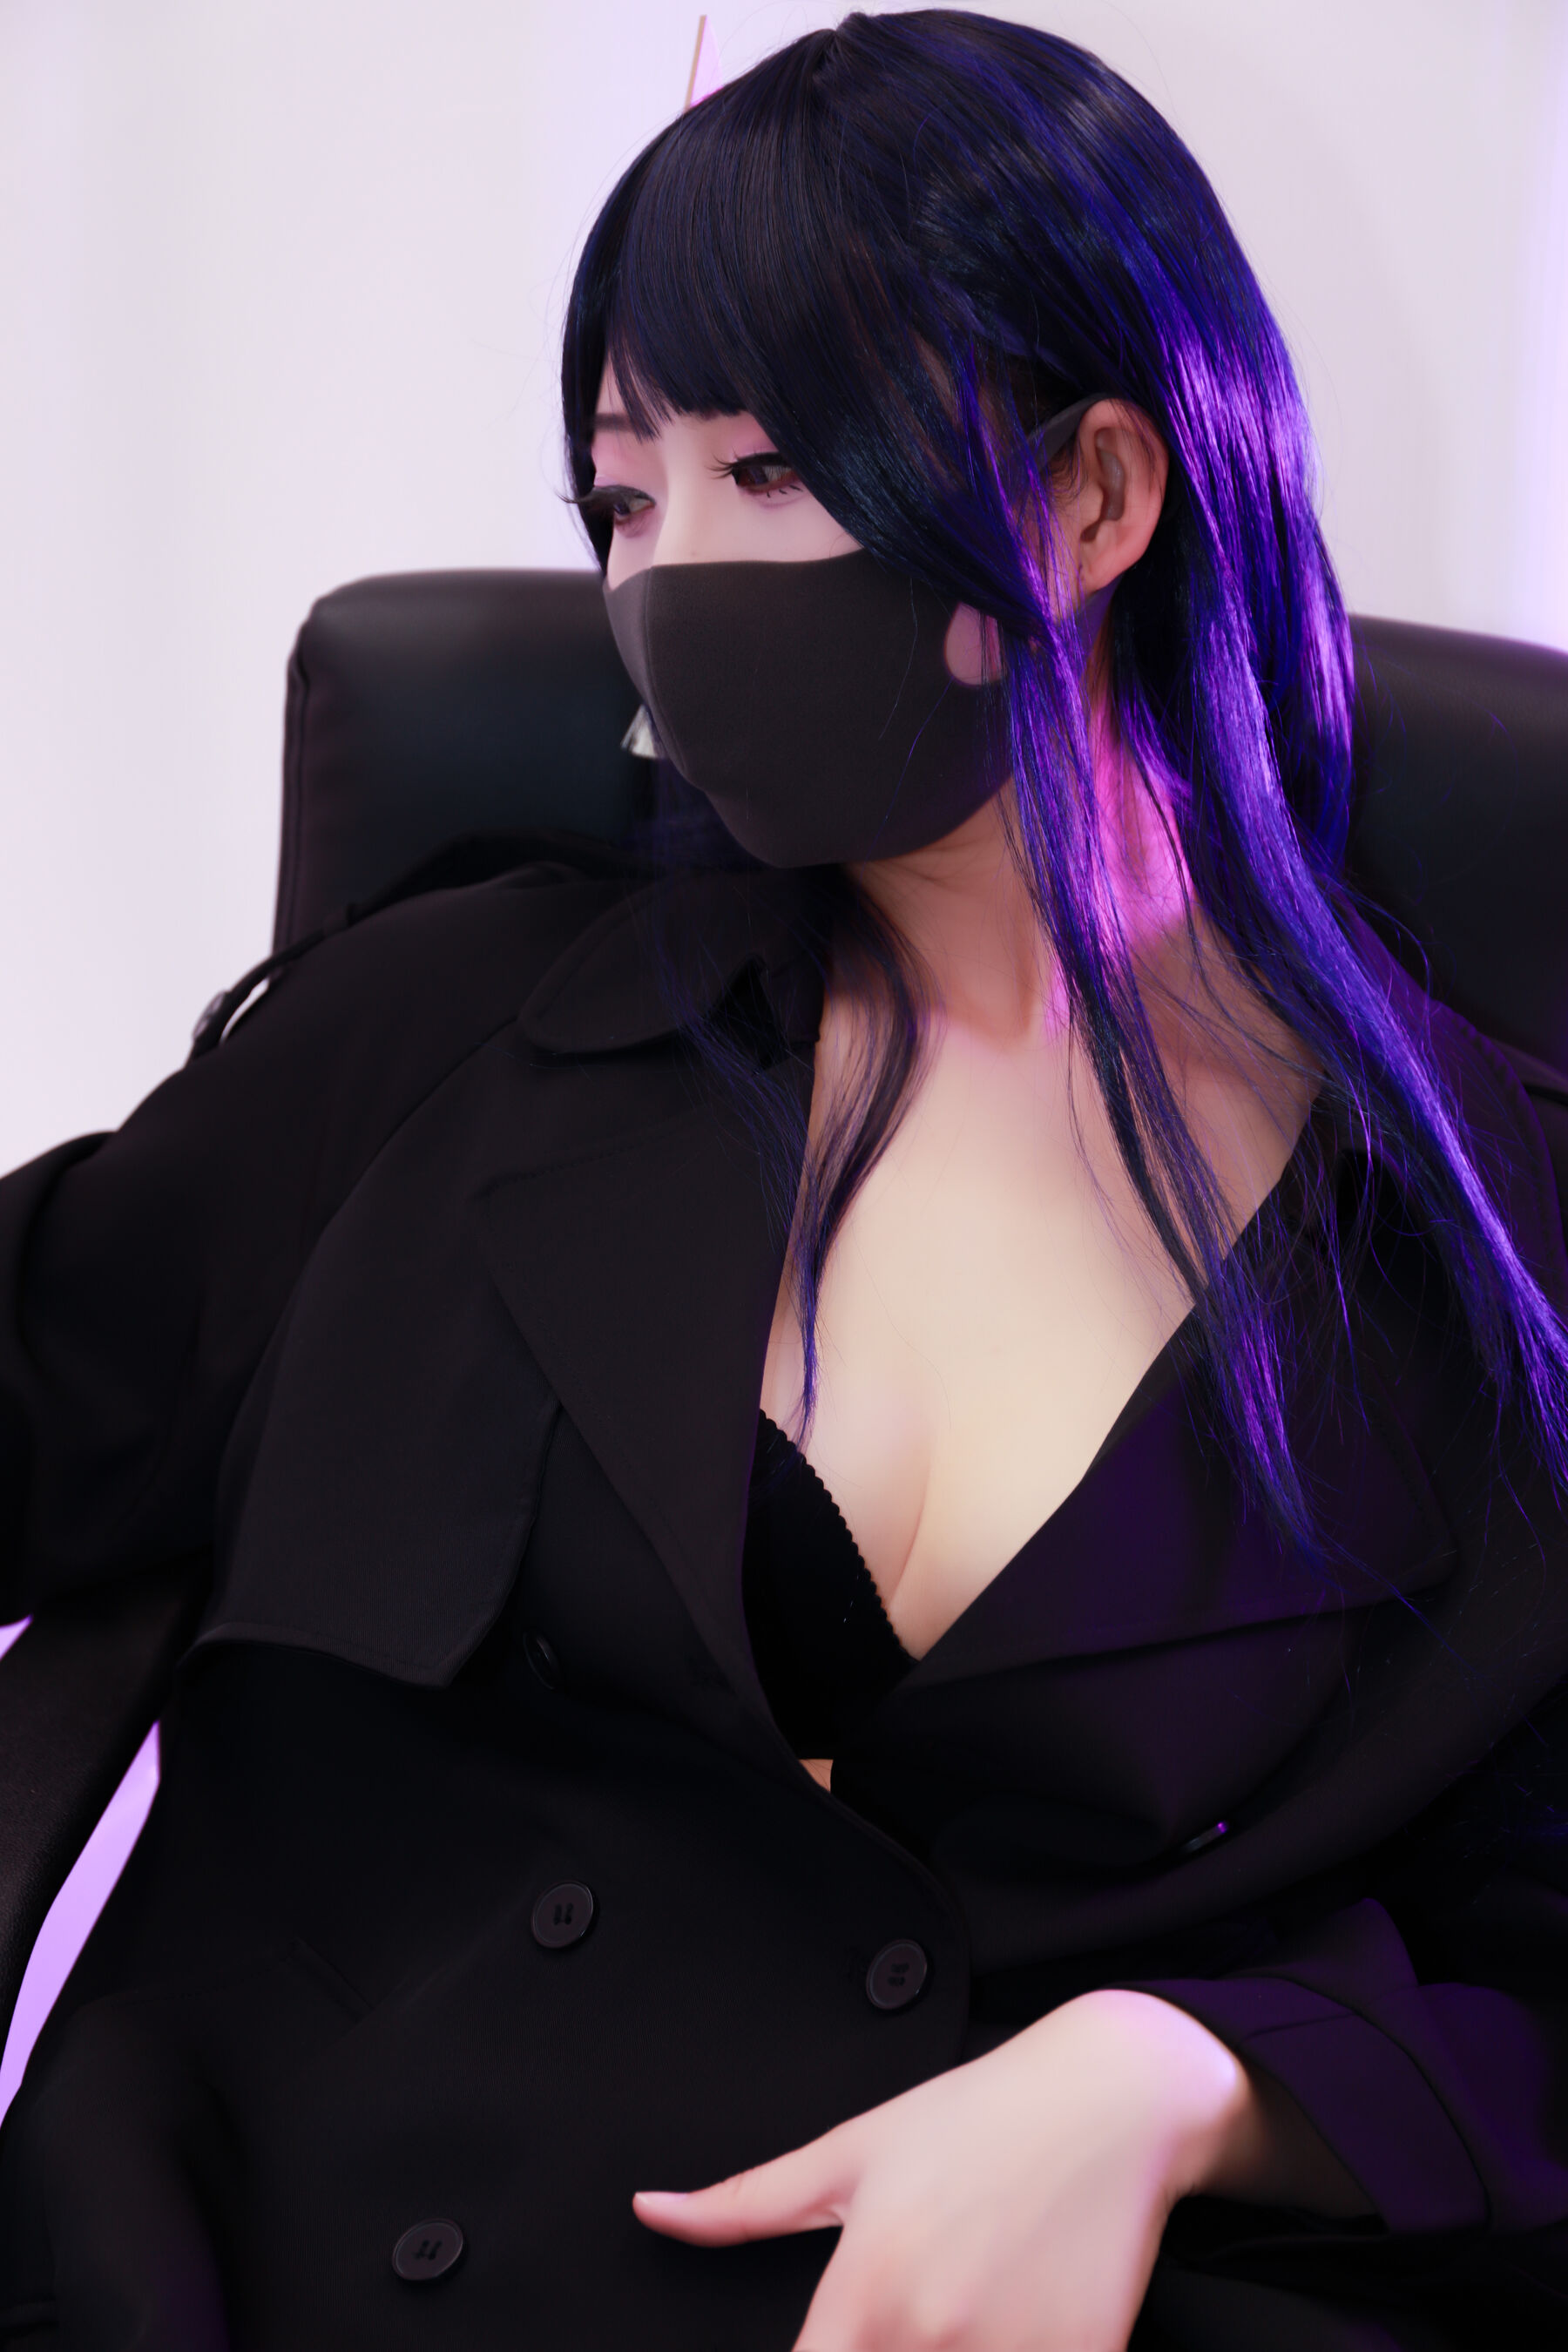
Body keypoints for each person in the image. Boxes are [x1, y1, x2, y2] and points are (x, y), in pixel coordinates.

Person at [2, 11, 1567, 2349]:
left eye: (759, 469)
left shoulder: (1483, 1246)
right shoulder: (457, 1034)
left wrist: (1192, 2080)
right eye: (624, 500)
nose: (668, 582)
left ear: (1092, 501)